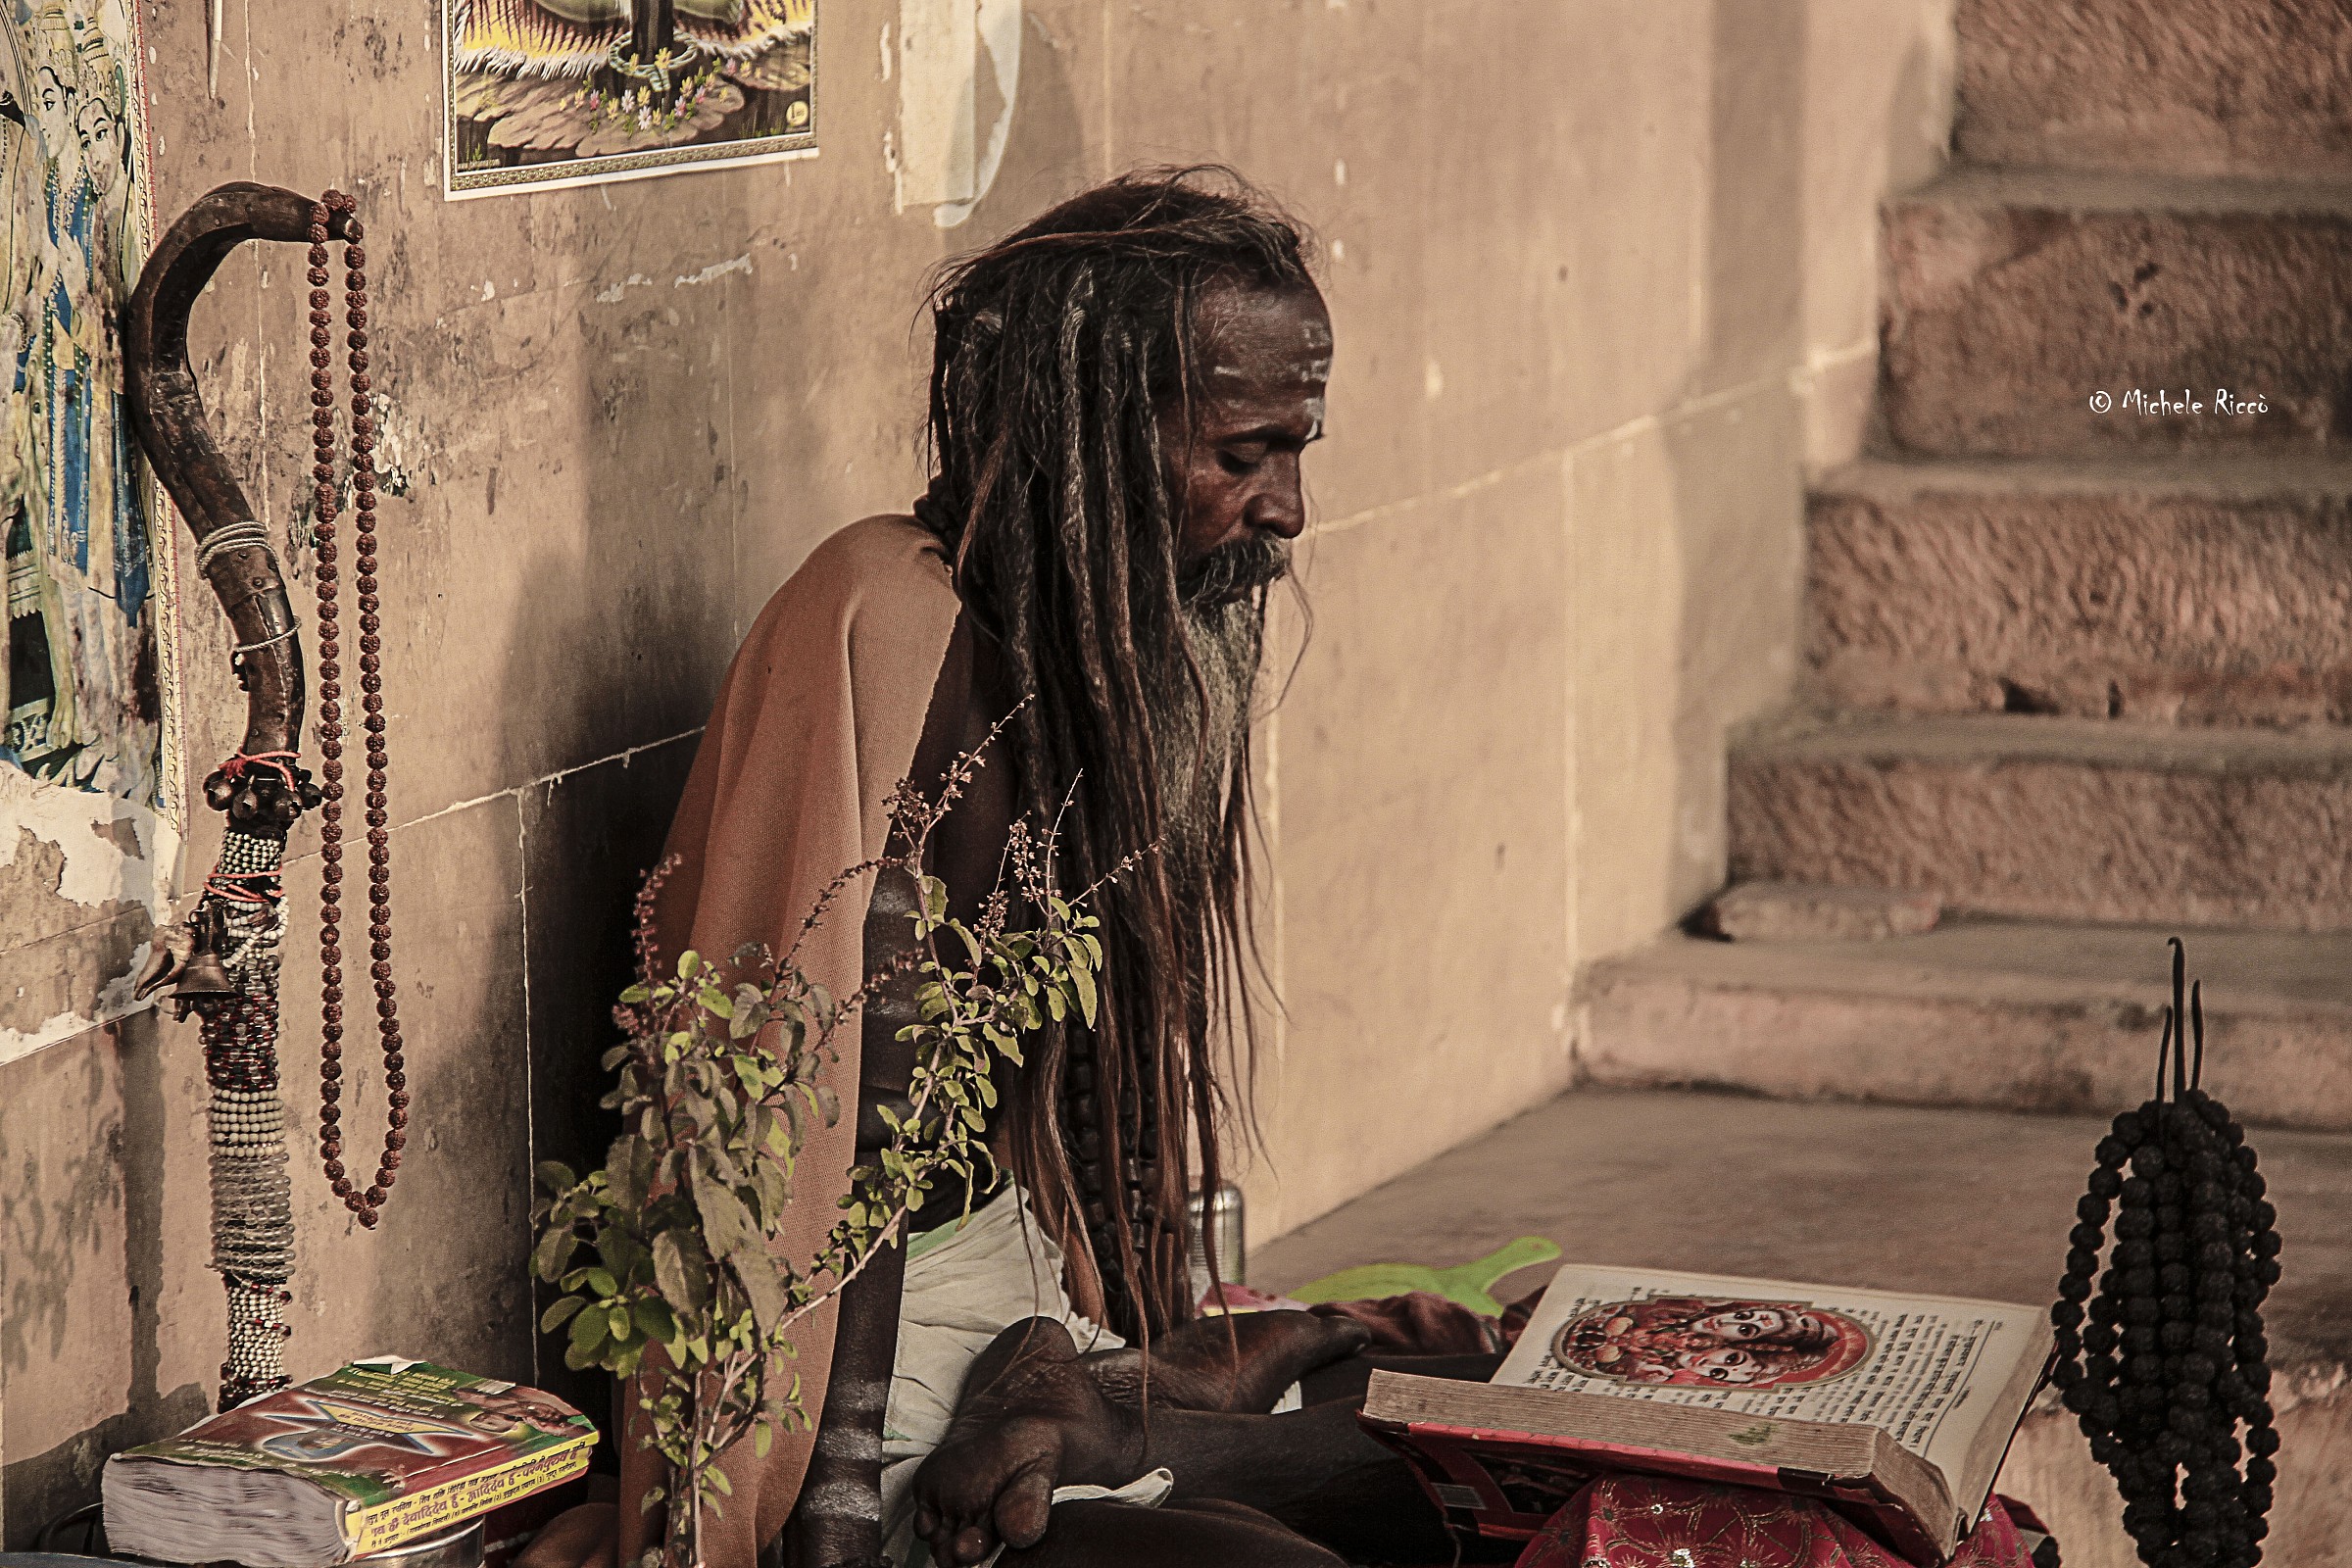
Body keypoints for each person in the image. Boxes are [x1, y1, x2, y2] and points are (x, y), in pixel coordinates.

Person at [524, 169, 2039, 1568]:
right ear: (1095, 432)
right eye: (1244, 454)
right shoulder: (886, 622)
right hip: (850, 1371)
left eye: (1296, 450)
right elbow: (827, 1134)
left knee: (1479, 1459)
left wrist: (1135, 1364)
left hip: (1016, 1321)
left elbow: (1072, 1109)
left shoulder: (1099, 646)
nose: (1287, 509)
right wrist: (840, 1497)